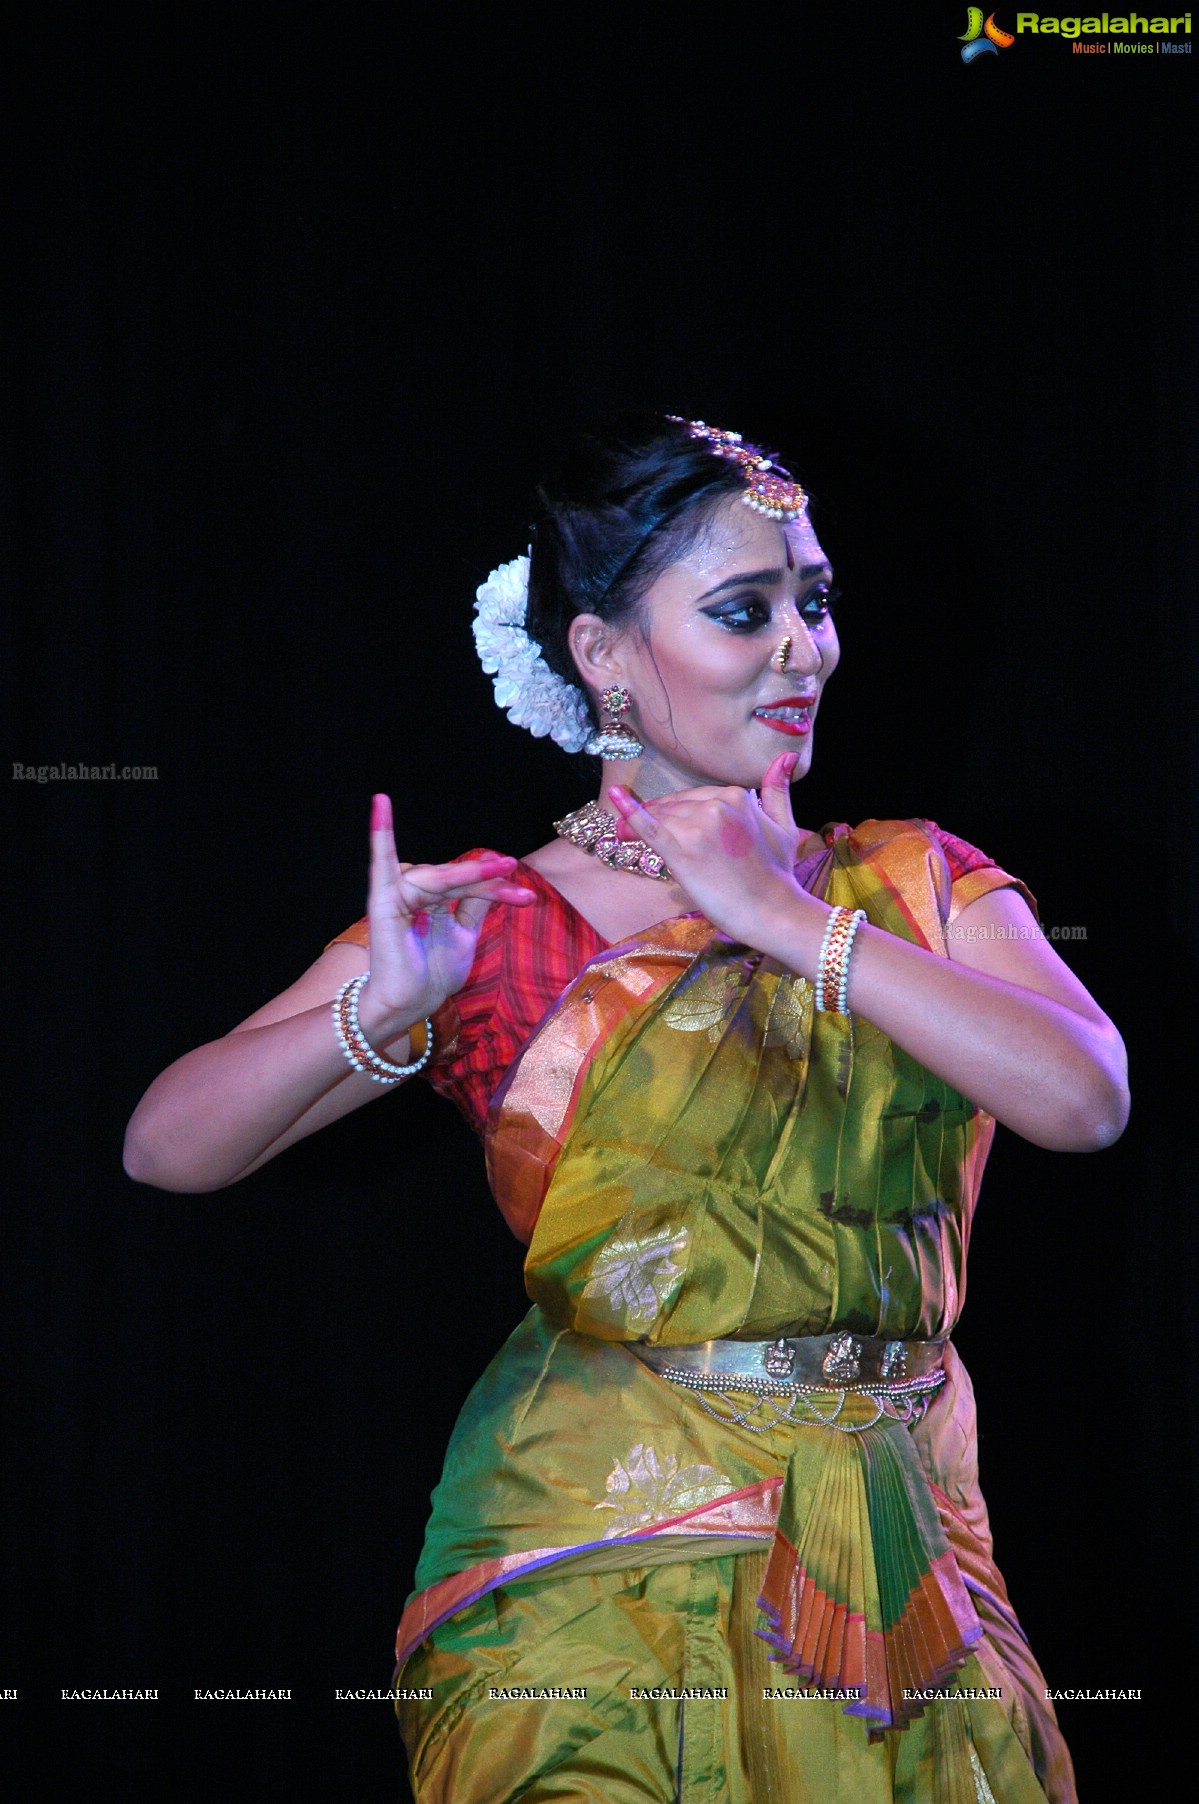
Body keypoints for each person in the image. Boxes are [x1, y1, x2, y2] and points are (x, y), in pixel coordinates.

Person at [125, 412, 1128, 1803]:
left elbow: (1085, 1097)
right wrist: (384, 1015)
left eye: (816, 602)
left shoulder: (911, 884)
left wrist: (783, 918)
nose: (805, 648)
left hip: (893, 1559)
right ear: (601, 655)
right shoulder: (503, 921)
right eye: (744, 611)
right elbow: (166, 1146)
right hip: (586, 1564)